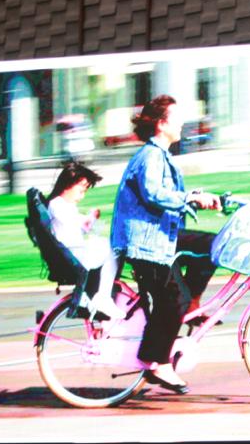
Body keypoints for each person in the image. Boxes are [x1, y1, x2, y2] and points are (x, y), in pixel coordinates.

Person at [110, 95, 220, 394]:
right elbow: (153, 193)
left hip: (161, 235)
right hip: (145, 244)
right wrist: (189, 198)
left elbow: (165, 193)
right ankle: (156, 361)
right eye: (177, 117)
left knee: (214, 245)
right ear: (161, 124)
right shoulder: (150, 156)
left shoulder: (161, 154)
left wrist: (199, 196)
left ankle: (192, 305)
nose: (182, 122)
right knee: (174, 300)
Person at [46, 161, 120, 319]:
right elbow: (75, 221)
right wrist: (88, 219)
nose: (82, 195)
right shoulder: (56, 204)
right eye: (81, 189)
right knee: (112, 249)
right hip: (74, 255)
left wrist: (91, 220)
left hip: (75, 252)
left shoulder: (64, 205)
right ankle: (104, 297)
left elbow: (79, 227)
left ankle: (102, 298)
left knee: (107, 245)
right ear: (68, 184)